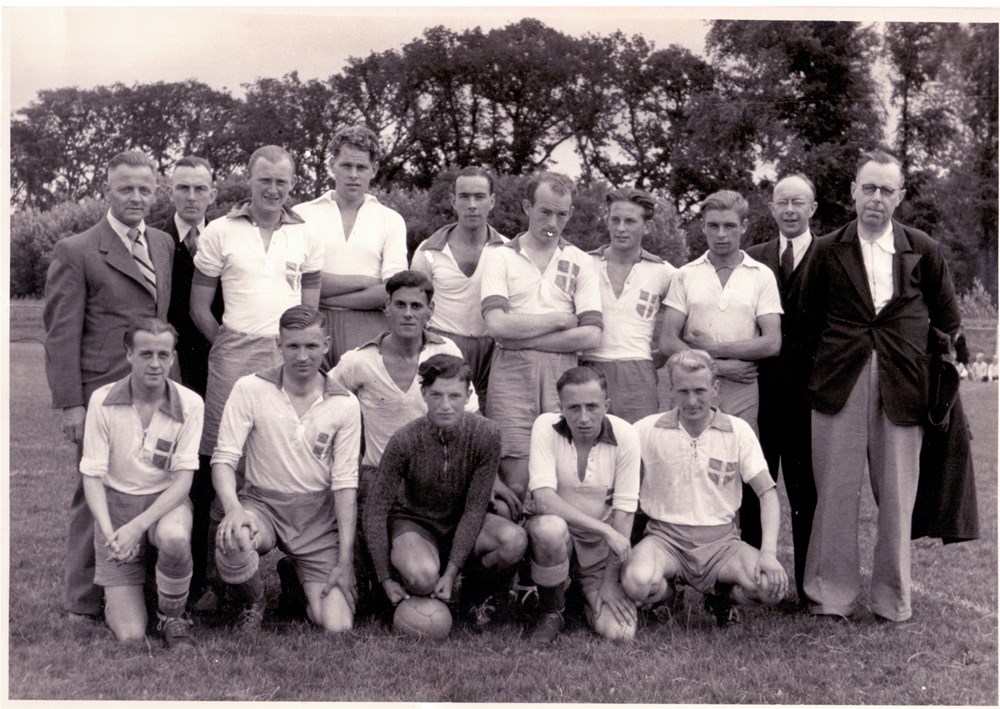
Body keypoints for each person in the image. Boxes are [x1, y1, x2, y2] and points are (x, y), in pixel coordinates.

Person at [800, 149, 961, 623]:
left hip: (903, 387)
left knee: (896, 500)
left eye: (886, 190)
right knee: (834, 492)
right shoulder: (827, 248)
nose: (875, 198)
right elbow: (807, 322)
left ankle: (893, 601)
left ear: (900, 197)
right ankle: (831, 596)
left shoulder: (923, 249)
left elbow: (947, 320)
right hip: (838, 385)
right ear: (852, 191)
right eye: (867, 187)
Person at [44, 149, 174, 622]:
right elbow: (60, 334)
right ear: (108, 191)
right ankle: (82, 602)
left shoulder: (161, 243)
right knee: (93, 489)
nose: (136, 197)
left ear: (155, 190)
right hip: (101, 393)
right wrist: (71, 406)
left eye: (144, 188)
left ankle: (153, 592)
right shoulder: (75, 250)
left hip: (157, 393)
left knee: (154, 486)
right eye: (126, 189)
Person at [212, 306, 361, 634]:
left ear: (326, 343)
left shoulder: (345, 403)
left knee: (337, 625)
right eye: (293, 346)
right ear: (278, 345)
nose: (303, 356)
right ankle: (252, 602)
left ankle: (296, 581)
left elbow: (346, 482)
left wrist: (345, 558)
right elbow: (223, 458)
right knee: (235, 537)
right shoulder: (249, 388)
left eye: (311, 346)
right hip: (262, 505)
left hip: (317, 518)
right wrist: (234, 509)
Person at [623, 350, 788, 628]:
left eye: (700, 390)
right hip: (665, 540)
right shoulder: (645, 429)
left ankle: (722, 597)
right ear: (670, 390)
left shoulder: (738, 430)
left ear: (716, 389)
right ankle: (666, 595)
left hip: (721, 544)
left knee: (771, 588)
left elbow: (767, 494)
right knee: (635, 582)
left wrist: (768, 553)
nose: (691, 400)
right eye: (683, 391)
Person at [363, 354, 527, 631]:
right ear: (424, 392)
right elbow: (375, 510)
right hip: (416, 522)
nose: (446, 405)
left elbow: (475, 508)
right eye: (436, 395)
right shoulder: (404, 440)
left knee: (513, 540)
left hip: (463, 521)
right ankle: (407, 588)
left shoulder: (487, 434)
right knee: (422, 575)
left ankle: (474, 596)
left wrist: (452, 573)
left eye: (454, 396)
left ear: (468, 395)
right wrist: (384, 578)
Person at [190, 144, 324, 471]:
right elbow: (198, 308)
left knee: (281, 448)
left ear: (293, 183)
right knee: (226, 450)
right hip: (232, 353)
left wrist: (292, 348)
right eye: (264, 180)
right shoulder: (219, 231)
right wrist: (227, 343)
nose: (273, 189)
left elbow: (308, 315)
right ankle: (225, 519)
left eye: (281, 181)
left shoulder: (308, 234)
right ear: (249, 179)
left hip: (287, 353)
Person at [480, 172, 604, 513]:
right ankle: (513, 556)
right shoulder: (499, 256)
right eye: (545, 212)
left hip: (562, 375)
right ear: (526, 207)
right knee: (515, 478)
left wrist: (523, 339)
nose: (552, 222)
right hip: (511, 376)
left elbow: (592, 334)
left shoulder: (582, 261)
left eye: (561, 214)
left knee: (557, 475)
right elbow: (496, 324)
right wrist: (559, 320)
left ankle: (551, 557)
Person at [79, 318, 203, 648]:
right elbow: (92, 476)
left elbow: (182, 482)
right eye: (145, 353)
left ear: (173, 357)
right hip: (117, 507)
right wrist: (110, 533)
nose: (155, 363)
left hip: (166, 503)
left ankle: (171, 615)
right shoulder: (102, 401)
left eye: (163, 355)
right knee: (132, 634)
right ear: (128, 354)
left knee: (175, 537)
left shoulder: (191, 403)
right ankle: (128, 594)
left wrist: (137, 528)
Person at [743, 174, 819, 601]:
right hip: (759, 393)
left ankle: (810, 585)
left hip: (810, 397)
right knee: (754, 486)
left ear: (812, 208)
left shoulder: (829, 256)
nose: (790, 209)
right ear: (771, 208)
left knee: (806, 492)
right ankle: (754, 581)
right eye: (782, 202)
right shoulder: (751, 259)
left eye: (798, 202)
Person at [523, 366, 640, 643]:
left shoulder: (626, 435)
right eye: (574, 407)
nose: (584, 417)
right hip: (560, 537)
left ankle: (580, 598)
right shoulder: (544, 426)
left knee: (621, 633)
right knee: (549, 528)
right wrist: (606, 531)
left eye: (592, 406)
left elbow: (623, 516)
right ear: (560, 407)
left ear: (607, 405)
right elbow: (543, 499)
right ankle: (552, 611)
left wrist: (611, 583)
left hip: (599, 552)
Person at [659, 190, 782, 434]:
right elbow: (667, 340)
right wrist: (719, 366)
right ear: (703, 226)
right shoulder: (686, 274)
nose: (721, 234)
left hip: (743, 389)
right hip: (693, 386)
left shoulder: (761, 275)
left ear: (744, 226)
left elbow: (771, 343)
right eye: (713, 226)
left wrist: (714, 349)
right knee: (689, 460)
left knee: (738, 463)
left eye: (729, 226)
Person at [160, 155, 222, 604]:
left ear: (213, 194)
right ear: (171, 192)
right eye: (183, 188)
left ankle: (210, 579)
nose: (192, 196)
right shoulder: (156, 240)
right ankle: (167, 575)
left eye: (200, 189)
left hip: (218, 368)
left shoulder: (225, 238)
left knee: (209, 468)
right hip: (170, 368)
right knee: (172, 467)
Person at [293, 126, 408, 368]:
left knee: (361, 401)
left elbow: (392, 291)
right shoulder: (302, 215)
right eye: (346, 166)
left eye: (361, 167)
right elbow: (295, 281)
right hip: (313, 324)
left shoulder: (391, 220)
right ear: (333, 165)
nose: (353, 174)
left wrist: (328, 296)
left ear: (373, 169)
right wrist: (365, 281)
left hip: (368, 326)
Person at [411, 167, 508, 409]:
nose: (472, 204)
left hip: (493, 350)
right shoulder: (428, 250)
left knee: (487, 423)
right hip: (443, 346)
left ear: (492, 201)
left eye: (479, 197)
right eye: (464, 197)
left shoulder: (508, 250)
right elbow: (414, 307)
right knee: (443, 418)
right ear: (454, 201)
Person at [581, 188, 675, 423]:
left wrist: (655, 358)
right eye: (615, 220)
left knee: (637, 449)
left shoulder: (663, 271)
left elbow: (687, 319)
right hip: (588, 368)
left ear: (647, 226)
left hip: (638, 375)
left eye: (630, 221)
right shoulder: (584, 263)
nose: (621, 228)